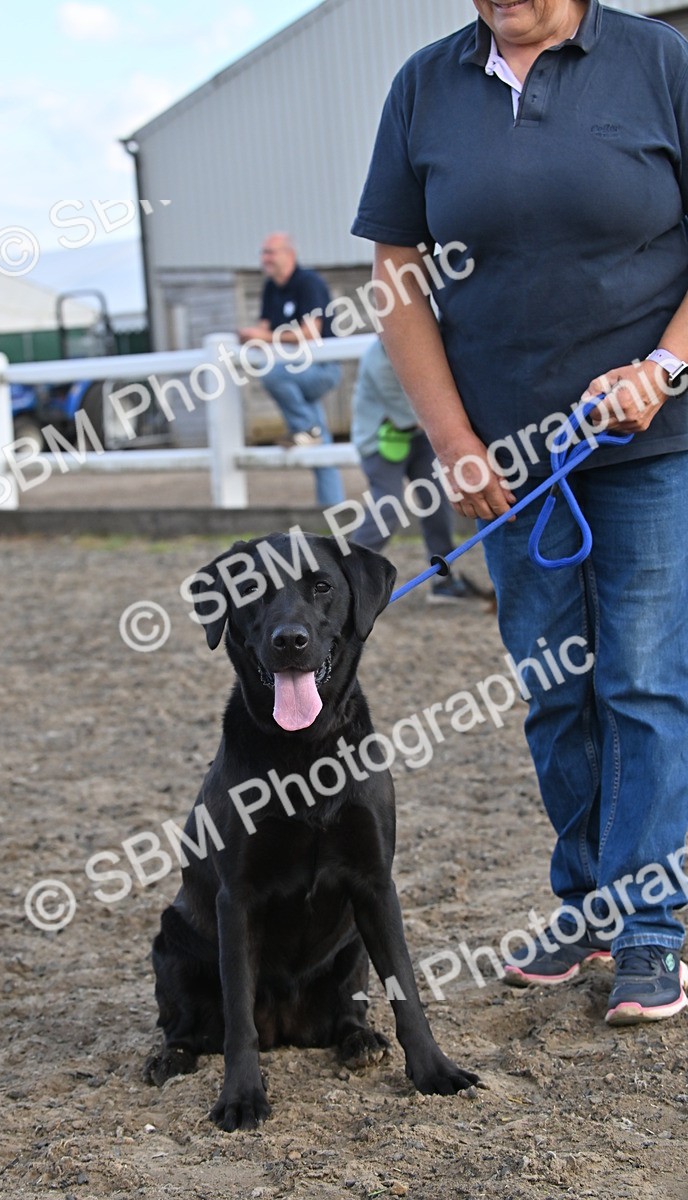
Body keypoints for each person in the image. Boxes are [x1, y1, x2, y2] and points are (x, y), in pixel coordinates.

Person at [352, 0, 688, 1025]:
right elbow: (396, 276)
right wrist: (452, 444)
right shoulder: (423, 83)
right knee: (553, 686)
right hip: (501, 460)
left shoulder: (657, 61)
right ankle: (583, 901)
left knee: (638, 679)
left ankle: (650, 926)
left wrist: (664, 366)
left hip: (644, 443)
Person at [349, 338, 479, 604]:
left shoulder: (420, 345)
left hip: (417, 438)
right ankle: (347, 578)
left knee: (437, 500)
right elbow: (418, 415)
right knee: (388, 507)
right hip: (380, 440)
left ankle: (443, 579)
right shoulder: (378, 363)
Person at [239, 233, 344, 507]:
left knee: (272, 374)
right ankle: (333, 508)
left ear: (289, 254)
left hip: (321, 369)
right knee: (321, 448)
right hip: (295, 371)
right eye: (263, 253)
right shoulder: (271, 288)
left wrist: (265, 338)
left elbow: (312, 332)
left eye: (270, 252)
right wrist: (250, 335)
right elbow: (264, 327)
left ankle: (305, 429)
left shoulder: (308, 282)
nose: (265, 259)